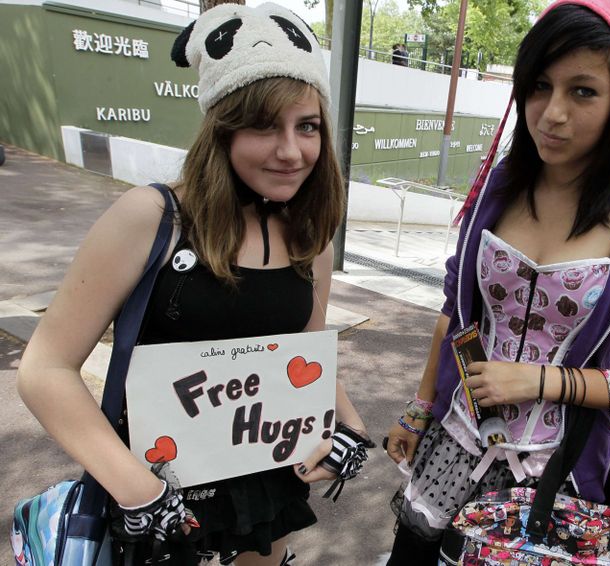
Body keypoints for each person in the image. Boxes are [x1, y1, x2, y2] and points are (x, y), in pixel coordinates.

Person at [16, 4, 372, 565]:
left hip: (262, 494)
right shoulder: (152, 217)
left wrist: (348, 429)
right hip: (152, 498)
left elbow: (303, 363)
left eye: (307, 126)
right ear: (223, 129)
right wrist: (139, 491)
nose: (291, 151)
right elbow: (45, 369)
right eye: (263, 125)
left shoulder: (311, 242)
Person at [384, 0, 610, 564]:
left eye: (583, 91)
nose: (552, 114)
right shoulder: (497, 191)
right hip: (453, 443)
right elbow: (456, 311)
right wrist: (421, 404)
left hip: (554, 468)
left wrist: (539, 379)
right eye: (540, 86)